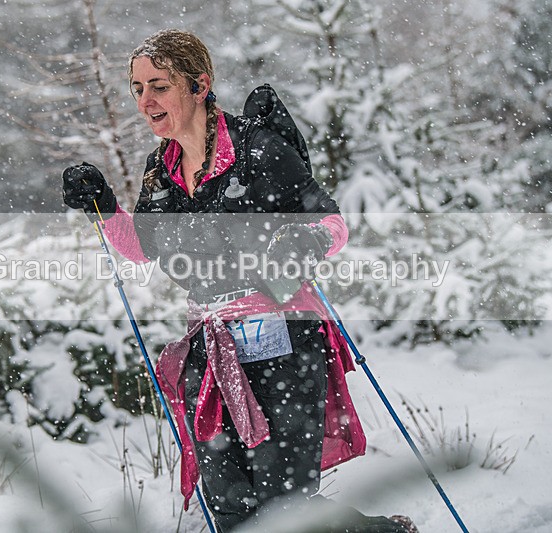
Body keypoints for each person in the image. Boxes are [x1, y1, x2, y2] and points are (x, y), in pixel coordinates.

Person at [62, 29, 416, 533]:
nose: (145, 101)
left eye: (158, 86)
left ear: (200, 85)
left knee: (285, 506)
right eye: (137, 88)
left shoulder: (257, 149)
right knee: (232, 504)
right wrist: (103, 208)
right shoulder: (159, 171)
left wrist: (303, 243)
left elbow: (332, 223)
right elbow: (143, 248)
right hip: (212, 349)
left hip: (285, 341)